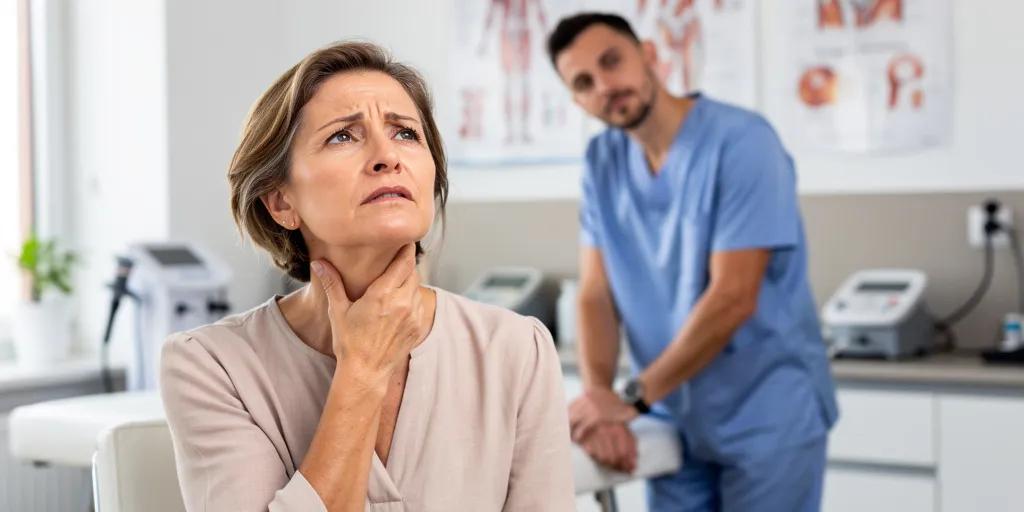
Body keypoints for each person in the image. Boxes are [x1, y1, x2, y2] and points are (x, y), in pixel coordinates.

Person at [158, 40, 576, 512]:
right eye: (343, 136)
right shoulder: (211, 366)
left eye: (405, 134)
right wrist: (362, 370)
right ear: (281, 202)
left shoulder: (517, 349)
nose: (387, 156)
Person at [545, 13, 839, 512]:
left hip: (766, 415)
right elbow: (596, 292)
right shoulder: (601, 163)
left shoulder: (743, 143)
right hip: (675, 415)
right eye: (584, 82)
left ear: (650, 54)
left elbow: (733, 297)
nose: (605, 86)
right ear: (578, 101)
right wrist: (599, 398)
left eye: (612, 62)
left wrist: (631, 400)